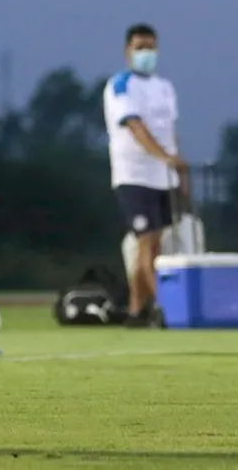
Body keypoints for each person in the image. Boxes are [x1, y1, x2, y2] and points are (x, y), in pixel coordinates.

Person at [103, 23, 186, 327]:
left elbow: (171, 132)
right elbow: (135, 126)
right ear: (128, 51)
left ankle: (137, 309)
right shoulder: (120, 85)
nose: (146, 53)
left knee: (156, 244)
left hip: (163, 178)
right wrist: (163, 156)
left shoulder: (165, 88)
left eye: (150, 47)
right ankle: (164, 307)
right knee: (144, 238)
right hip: (133, 174)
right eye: (139, 47)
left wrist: (177, 169)